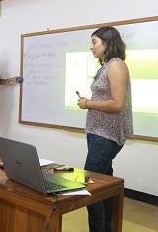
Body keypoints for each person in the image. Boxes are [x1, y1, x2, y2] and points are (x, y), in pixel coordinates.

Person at [77, 27, 133, 232]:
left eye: (94, 42)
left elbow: (117, 103)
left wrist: (88, 104)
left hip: (107, 135)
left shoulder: (116, 65)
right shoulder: (106, 65)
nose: (91, 47)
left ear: (107, 43)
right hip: (97, 132)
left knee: (89, 185)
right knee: (104, 186)